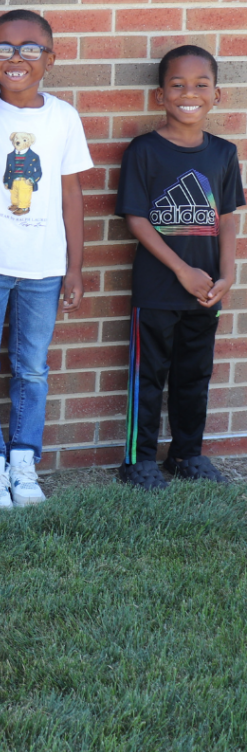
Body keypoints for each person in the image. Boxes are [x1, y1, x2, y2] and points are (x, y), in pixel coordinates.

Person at [0, 9, 93, 508]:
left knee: (32, 369)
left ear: (50, 59)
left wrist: (74, 265)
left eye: (31, 49)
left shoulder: (63, 117)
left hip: (44, 268)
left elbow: (71, 193)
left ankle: (23, 459)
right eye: (3, 49)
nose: (17, 58)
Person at [115, 45, 244, 489]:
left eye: (200, 85)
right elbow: (136, 219)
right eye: (177, 85)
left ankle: (187, 455)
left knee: (195, 375)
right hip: (157, 288)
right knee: (148, 376)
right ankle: (139, 460)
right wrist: (180, 270)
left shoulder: (224, 154)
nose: (189, 93)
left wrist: (228, 275)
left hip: (206, 290)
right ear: (160, 96)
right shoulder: (144, 150)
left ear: (217, 95)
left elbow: (227, 218)